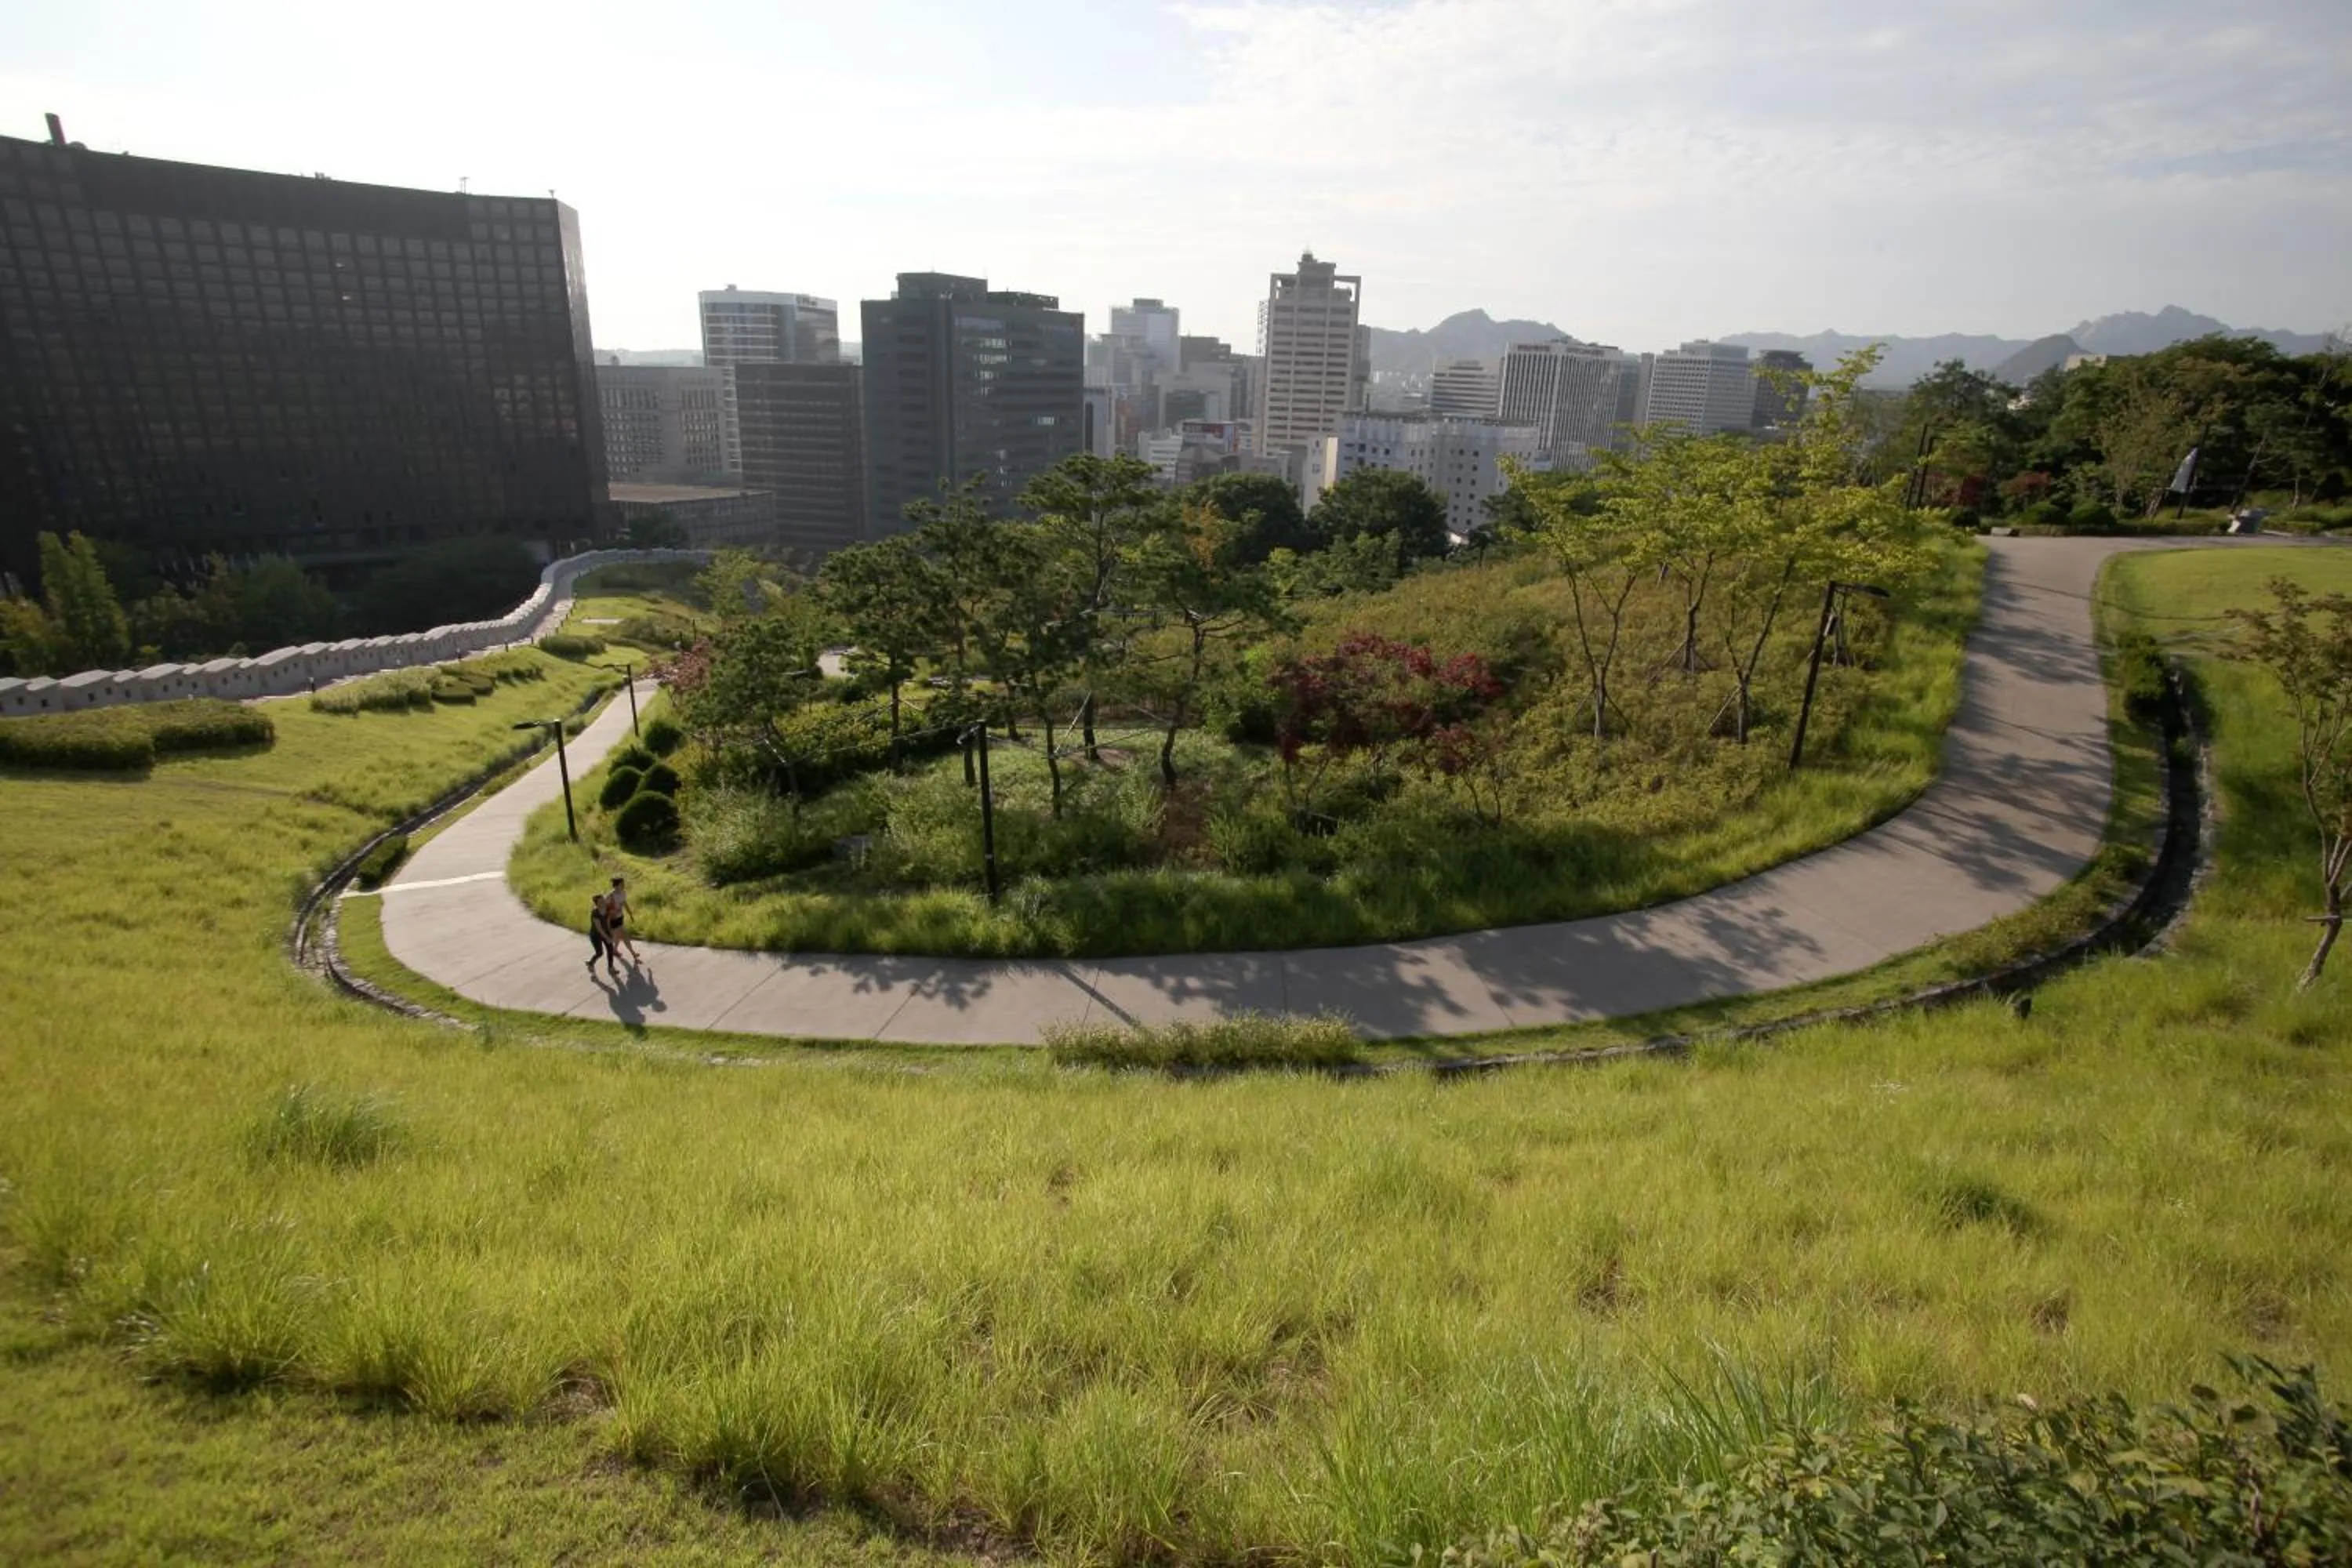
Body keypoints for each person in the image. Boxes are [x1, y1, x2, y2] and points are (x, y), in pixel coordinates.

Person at [604, 875, 643, 967]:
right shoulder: (610, 896)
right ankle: (633, 954)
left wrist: (630, 914)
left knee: (617, 937)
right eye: (622, 883)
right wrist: (608, 920)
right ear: (617, 885)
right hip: (613, 920)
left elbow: (624, 903)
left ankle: (614, 950)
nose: (624, 885)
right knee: (625, 936)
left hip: (620, 917)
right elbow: (604, 908)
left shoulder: (623, 893)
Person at [585, 887, 619, 978]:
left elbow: (607, 922)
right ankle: (591, 963)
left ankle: (611, 968)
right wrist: (607, 937)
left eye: (603, 900)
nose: (603, 902)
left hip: (605, 932)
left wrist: (610, 933)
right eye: (600, 902)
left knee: (610, 949)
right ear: (597, 904)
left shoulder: (607, 909)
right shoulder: (595, 913)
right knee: (600, 953)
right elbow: (599, 928)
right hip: (595, 935)